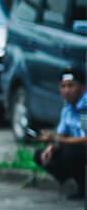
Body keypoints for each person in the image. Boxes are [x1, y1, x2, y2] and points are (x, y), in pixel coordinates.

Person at [35, 66, 86, 199]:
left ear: (82, 87)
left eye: (71, 86)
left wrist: (58, 141)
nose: (66, 91)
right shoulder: (67, 107)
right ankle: (78, 184)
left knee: (71, 151)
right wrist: (51, 146)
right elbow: (62, 134)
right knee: (41, 154)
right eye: (63, 86)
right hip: (78, 149)